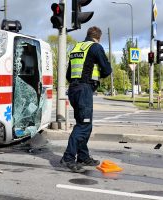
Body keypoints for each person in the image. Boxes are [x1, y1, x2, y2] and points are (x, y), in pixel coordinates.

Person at [60, 26, 112, 173]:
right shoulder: (95, 47)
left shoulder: (77, 48)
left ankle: (82, 156)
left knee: (82, 123)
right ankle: (68, 157)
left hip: (73, 89)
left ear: (88, 35)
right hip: (84, 90)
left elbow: (69, 75)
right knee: (84, 125)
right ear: (98, 37)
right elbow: (107, 70)